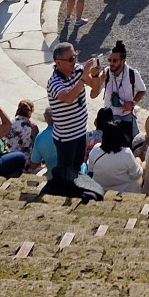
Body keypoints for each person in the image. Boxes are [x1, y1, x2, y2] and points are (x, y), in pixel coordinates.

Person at [43, 42, 104, 194]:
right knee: (66, 172)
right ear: (58, 63)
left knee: (76, 169)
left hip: (80, 132)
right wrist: (82, 79)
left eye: (75, 57)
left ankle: (74, 193)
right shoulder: (54, 82)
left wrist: (95, 75)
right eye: (70, 60)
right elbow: (68, 97)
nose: (74, 62)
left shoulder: (78, 71)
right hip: (66, 137)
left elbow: (94, 92)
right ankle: (63, 193)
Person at [89, 118, 144, 192]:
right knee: (138, 161)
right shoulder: (126, 153)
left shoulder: (96, 148)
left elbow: (91, 168)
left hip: (100, 187)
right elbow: (136, 175)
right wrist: (139, 163)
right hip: (123, 189)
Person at [102, 40, 147, 120]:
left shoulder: (132, 74)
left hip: (126, 117)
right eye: (110, 60)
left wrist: (132, 103)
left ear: (123, 61)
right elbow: (93, 94)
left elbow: (142, 90)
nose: (111, 63)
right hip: (109, 118)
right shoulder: (106, 73)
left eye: (115, 61)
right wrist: (96, 78)